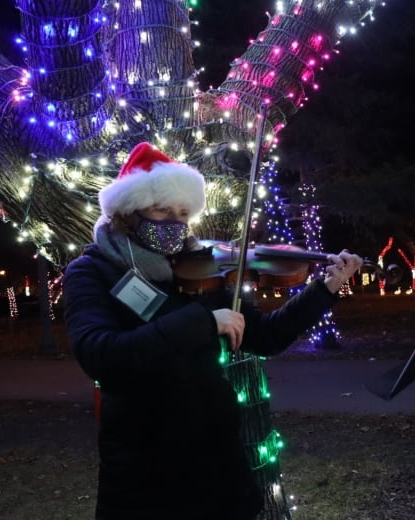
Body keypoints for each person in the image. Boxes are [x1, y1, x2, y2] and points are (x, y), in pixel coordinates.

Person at [62, 142, 363, 519]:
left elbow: (265, 337)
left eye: (183, 213)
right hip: (146, 467)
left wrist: (323, 290)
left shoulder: (204, 266)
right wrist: (203, 322)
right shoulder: (92, 271)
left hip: (217, 460)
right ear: (129, 212)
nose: (173, 222)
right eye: (161, 209)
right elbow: (99, 354)